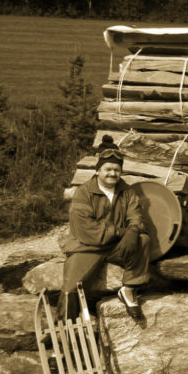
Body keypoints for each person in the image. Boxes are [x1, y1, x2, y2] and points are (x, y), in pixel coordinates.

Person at [62, 135, 150, 320]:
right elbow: (87, 230)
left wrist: (133, 231)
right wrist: (121, 232)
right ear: (98, 170)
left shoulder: (127, 192)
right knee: (71, 289)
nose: (112, 174)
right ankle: (65, 325)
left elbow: (136, 216)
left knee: (143, 240)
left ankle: (129, 288)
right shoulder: (84, 193)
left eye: (117, 170)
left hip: (113, 247)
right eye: (108, 169)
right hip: (86, 247)